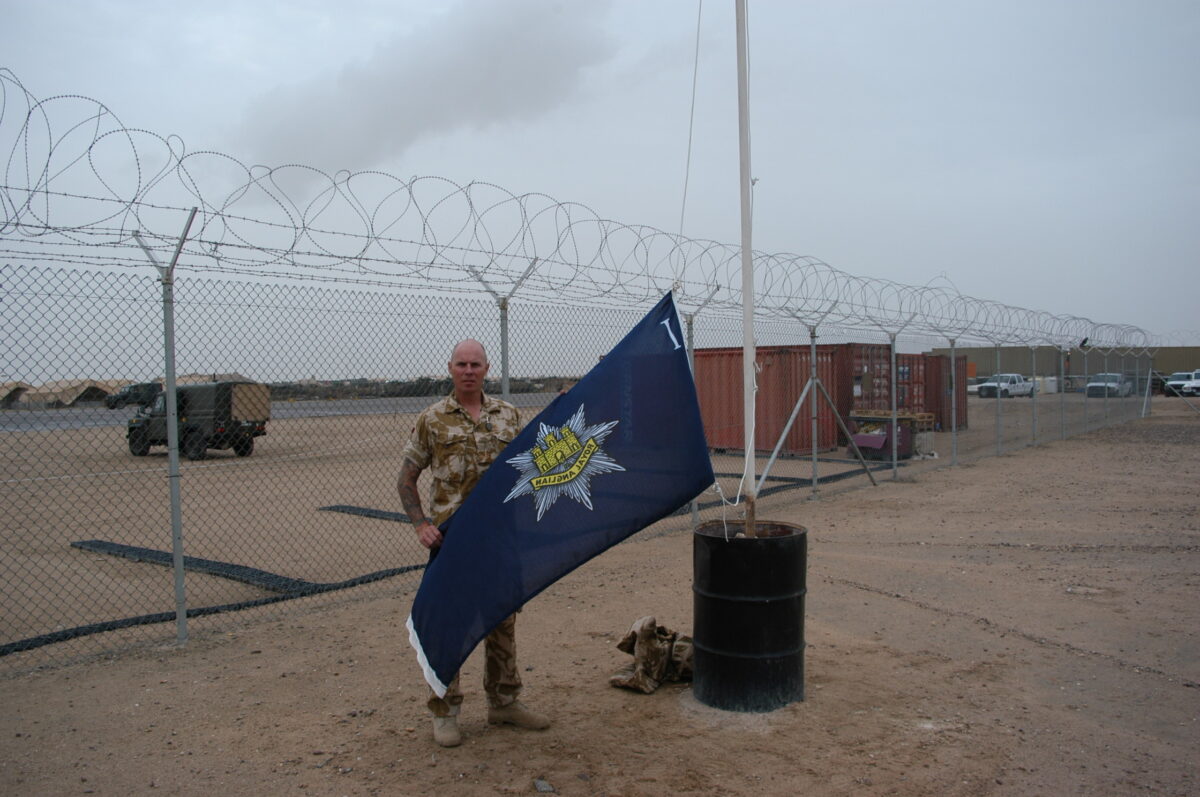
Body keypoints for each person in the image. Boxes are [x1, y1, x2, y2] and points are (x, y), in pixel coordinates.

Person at [397, 338, 550, 747]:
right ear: (450, 368)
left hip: (500, 542)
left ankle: (504, 702)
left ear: (487, 369)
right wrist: (420, 525)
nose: (468, 370)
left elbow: (534, 467)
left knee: (502, 623)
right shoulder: (432, 419)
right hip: (453, 544)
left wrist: (563, 416)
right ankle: (445, 711)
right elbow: (406, 479)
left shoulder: (510, 416)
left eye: (475, 364)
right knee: (452, 624)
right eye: (461, 364)